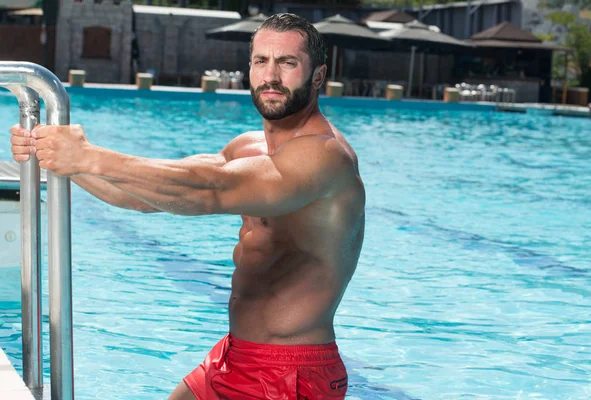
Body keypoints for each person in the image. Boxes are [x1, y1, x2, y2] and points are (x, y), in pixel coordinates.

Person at [9, 13, 365, 400]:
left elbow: (209, 191)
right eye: (261, 61)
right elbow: (147, 196)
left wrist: (90, 156)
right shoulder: (247, 148)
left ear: (317, 75)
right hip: (234, 356)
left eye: (288, 63)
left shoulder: (326, 157)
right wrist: (55, 157)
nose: (271, 75)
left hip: (291, 371)